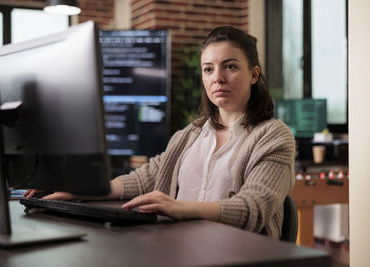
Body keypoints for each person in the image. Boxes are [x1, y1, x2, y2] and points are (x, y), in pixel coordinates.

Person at [25, 26, 295, 239]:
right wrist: (76, 190)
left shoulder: (273, 136)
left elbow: (254, 207)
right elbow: (144, 180)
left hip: (243, 254)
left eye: (231, 66)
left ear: (253, 74)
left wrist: (179, 208)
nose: (218, 78)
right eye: (208, 69)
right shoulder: (189, 136)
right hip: (180, 247)